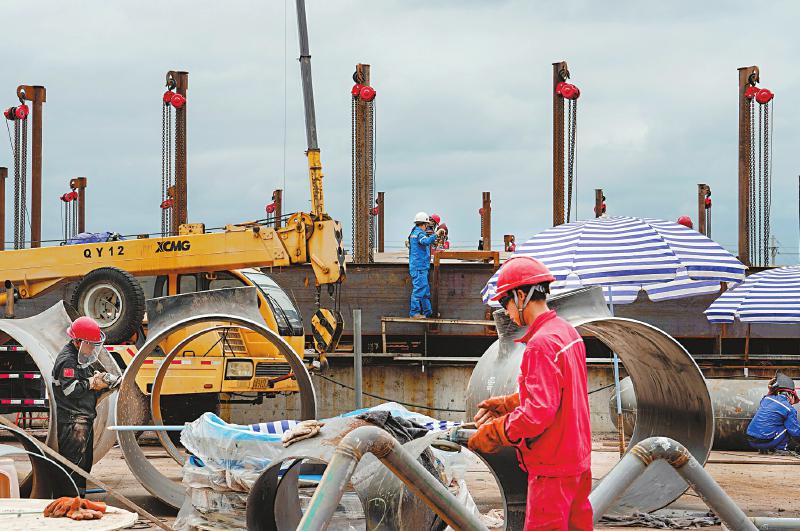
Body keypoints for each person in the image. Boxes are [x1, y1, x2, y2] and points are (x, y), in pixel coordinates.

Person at [468, 256, 592, 530]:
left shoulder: (540, 344)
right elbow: (558, 395)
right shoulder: (568, 333)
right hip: (577, 464)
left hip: (551, 470)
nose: (507, 312)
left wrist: (494, 433)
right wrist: (507, 403)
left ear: (521, 295)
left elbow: (537, 414)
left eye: (505, 303)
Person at [52, 316, 113, 493]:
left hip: (82, 418)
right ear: (78, 342)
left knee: (84, 465)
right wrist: (91, 383)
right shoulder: (68, 360)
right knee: (73, 466)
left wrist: (103, 383)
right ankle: (68, 501)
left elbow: (86, 383)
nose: (93, 348)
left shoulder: (82, 357)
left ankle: (79, 500)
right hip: (72, 421)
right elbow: (70, 390)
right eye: (90, 344)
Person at [746, 371, 800, 454]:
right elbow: (795, 432)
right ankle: (781, 449)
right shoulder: (789, 409)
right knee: (789, 426)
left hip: (750, 439)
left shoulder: (767, 399)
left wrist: (771, 390)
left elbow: (767, 398)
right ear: (790, 395)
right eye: (794, 399)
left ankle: (763, 450)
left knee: (770, 420)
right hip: (765, 441)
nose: (793, 403)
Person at [408, 212, 443, 318]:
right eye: (427, 225)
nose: (427, 227)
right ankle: (414, 313)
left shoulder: (413, 232)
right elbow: (426, 241)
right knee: (419, 290)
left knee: (425, 291)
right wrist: (436, 234)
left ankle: (428, 312)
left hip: (420, 266)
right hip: (419, 267)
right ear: (424, 224)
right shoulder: (419, 234)